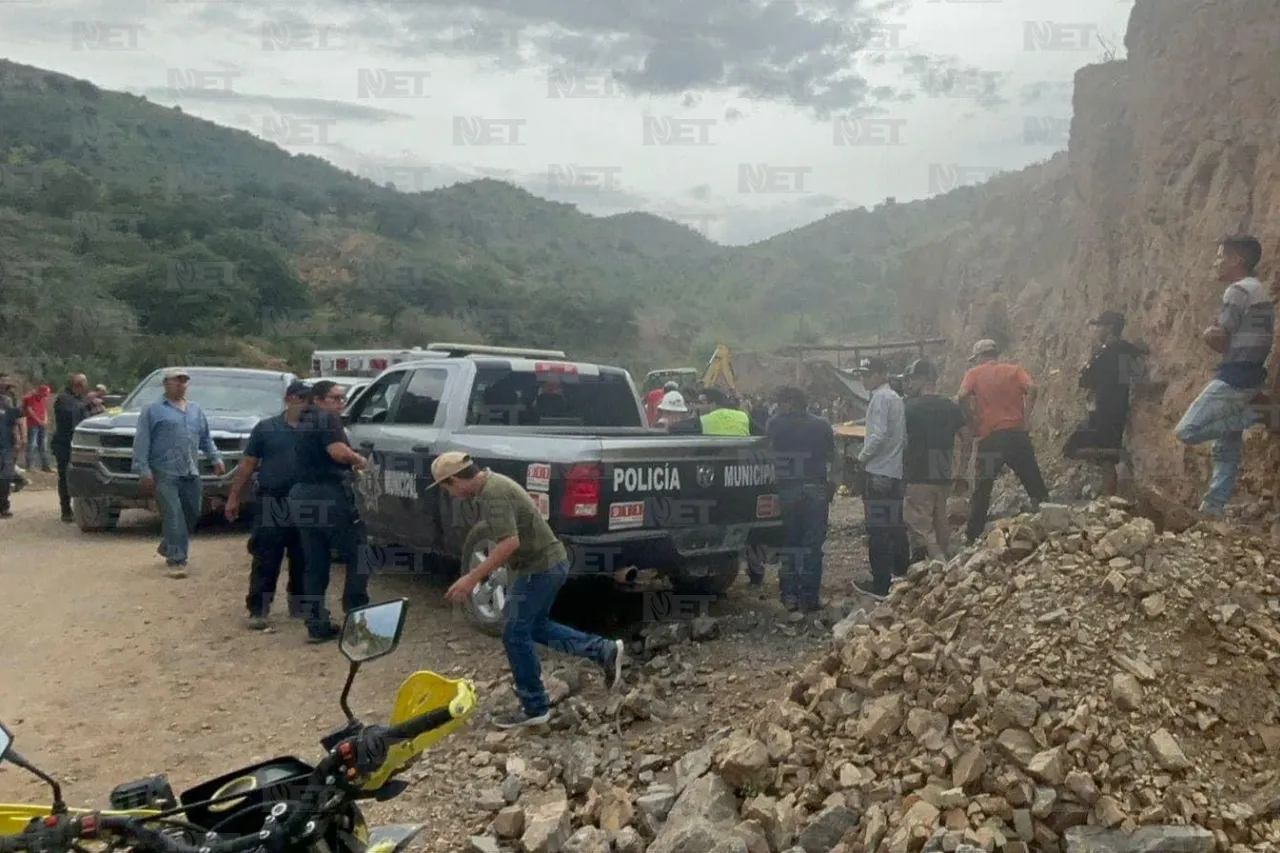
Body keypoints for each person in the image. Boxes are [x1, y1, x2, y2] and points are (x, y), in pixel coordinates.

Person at [436, 451, 625, 728]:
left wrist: (471, 578)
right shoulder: (490, 487)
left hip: (541, 568)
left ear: (454, 480)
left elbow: (508, 543)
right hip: (544, 565)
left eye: (446, 487)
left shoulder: (493, 493)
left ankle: (534, 706)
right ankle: (604, 651)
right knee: (534, 627)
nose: (449, 494)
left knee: (514, 634)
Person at [1175, 235, 1273, 516]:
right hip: (1252, 373)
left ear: (1237, 260)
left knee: (1187, 430)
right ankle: (1213, 507)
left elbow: (1220, 337)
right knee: (1226, 449)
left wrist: (1208, 333)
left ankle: (1254, 414)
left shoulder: (1238, 290)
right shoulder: (1259, 290)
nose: (1215, 262)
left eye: (1220, 257)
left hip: (1235, 376)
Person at [289, 380, 370, 643]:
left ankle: (316, 622)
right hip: (329, 494)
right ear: (319, 400)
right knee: (359, 552)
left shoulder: (304, 421)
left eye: (343, 398)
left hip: (303, 496)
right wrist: (359, 460)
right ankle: (357, 616)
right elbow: (337, 452)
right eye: (336, 398)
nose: (341, 403)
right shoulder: (327, 419)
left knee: (315, 561)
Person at [226, 380, 310, 630]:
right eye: (301, 399)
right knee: (266, 555)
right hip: (273, 499)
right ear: (289, 399)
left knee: (304, 554)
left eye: (309, 399)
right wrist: (234, 497)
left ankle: (301, 604)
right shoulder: (266, 428)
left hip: (306, 501)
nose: (305, 404)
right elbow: (248, 464)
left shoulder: (316, 429)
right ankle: (258, 608)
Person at [132, 368, 224, 578]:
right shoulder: (153, 410)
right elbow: (142, 442)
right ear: (166, 384)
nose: (181, 385)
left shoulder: (195, 410)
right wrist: (143, 470)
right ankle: (177, 559)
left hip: (190, 470)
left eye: (184, 381)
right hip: (164, 471)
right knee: (173, 514)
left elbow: (206, 438)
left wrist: (216, 458)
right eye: (177, 381)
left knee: (193, 512)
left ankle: (168, 545)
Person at [957, 339, 1049, 544]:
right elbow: (1033, 388)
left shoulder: (974, 374)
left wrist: (971, 418)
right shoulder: (1015, 370)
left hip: (991, 439)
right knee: (1034, 483)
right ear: (995, 354)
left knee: (982, 489)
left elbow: (961, 396)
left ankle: (973, 536)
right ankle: (1052, 523)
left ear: (980, 357)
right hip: (1017, 436)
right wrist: (1026, 418)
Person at [766, 386, 835, 612]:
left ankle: (789, 596)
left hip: (788, 490)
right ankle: (810, 598)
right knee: (813, 546)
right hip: (815, 489)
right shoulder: (822, 424)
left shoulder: (775, 424)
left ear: (789, 402)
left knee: (789, 543)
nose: (778, 407)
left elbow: (768, 454)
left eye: (781, 403)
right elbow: (832, 457)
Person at [1065, 311, 1147, 497]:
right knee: (1105, 462)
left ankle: (1118, 456)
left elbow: (1085, 380)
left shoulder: (1105, 352)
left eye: (1100, 326)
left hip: (1104, 410)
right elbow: (1135, 375)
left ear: (1109, 327)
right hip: (1117, 407)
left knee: (1076, 449)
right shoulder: (1126, 350)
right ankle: (1110, 501)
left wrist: (1090, 360)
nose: (1097, 330)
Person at [854, 357, 910, 598]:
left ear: (879, 374)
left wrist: (860, 459)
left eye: (867, 374)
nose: (863, 379)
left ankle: (881, 584)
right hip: (895, 472)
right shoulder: (896, 398)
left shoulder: (879, 399)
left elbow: (878, 436)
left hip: (878, 473)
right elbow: (901, 437)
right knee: (896, 526)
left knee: (877, 530)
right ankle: (901, 576)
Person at [903, 358, 965, 562]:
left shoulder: (909, 408)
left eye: (912, 379)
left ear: (923, 379)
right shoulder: (951, 407)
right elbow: (968, 439)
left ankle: (940, 567)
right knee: (941, 527)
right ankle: (948, 579)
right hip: (944, 475)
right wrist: (961, 471)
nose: (909, 384)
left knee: (921, 528)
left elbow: (897, 441)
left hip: (918, 476)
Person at [52, 374, 96, 523]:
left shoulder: (78, 400)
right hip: (64, 444)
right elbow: (71, 414)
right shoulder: (64, 398)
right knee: (65, 476)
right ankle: (66, 510)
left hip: (78, 443)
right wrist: (86, 402)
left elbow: (84, 417)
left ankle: (86, 509)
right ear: (78, 385)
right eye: (84, 385)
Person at [0, 379, 21, 518]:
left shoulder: (7, 404)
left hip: (6, 445)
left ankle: (3, 507)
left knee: (5, 477)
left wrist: (18, 440)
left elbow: (14, 423)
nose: (7, 391)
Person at [21, 384, 53, 473]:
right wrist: (38, 420)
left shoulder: (42, 400)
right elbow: (29, 410)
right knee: (32, 444)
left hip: (42, 424)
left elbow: (45, 411)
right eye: (45, 394)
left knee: (43, 445)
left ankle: (45, 465)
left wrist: (45, 420)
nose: (46, 396)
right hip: (33, 424)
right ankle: (30, 465)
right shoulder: (31, 398)